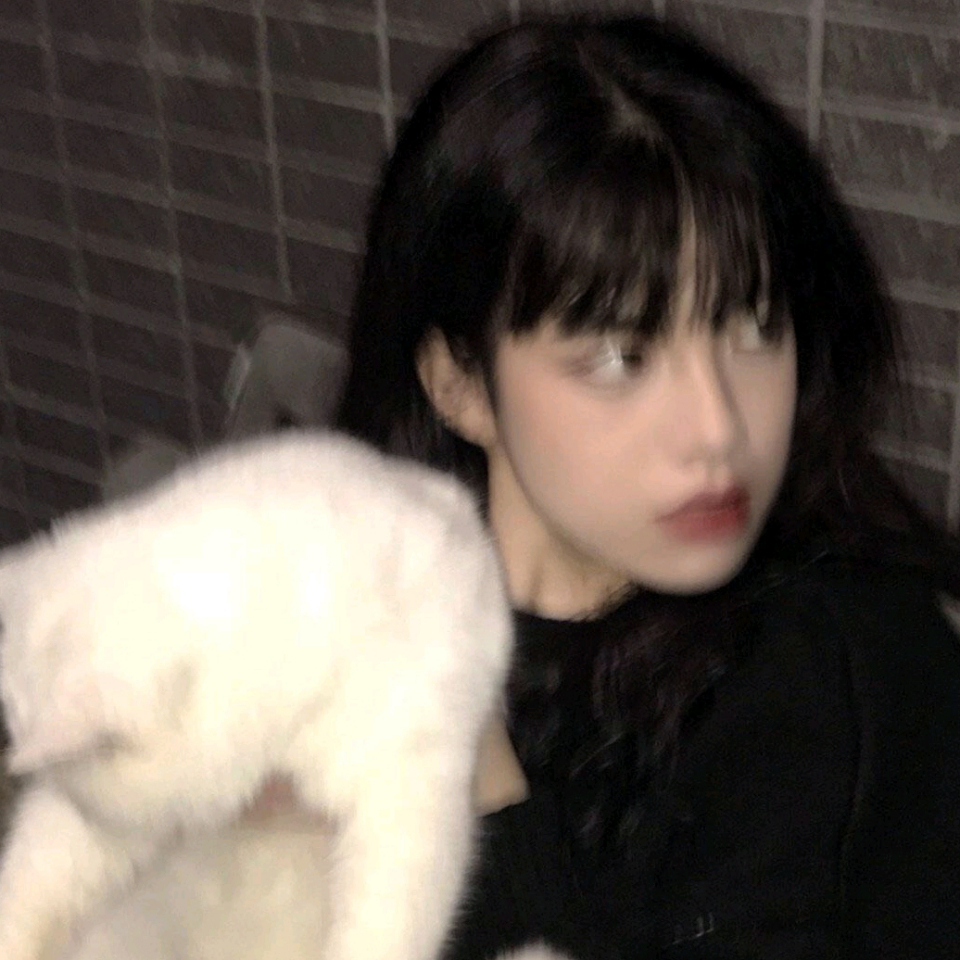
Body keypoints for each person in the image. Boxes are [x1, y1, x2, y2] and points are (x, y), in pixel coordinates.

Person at [334, 12, 960, 960]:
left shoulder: (837, 673)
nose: (718, 429)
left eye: (754, 327)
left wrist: (473, 780)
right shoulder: (349, 602)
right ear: (460, 383)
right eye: (623, 356)